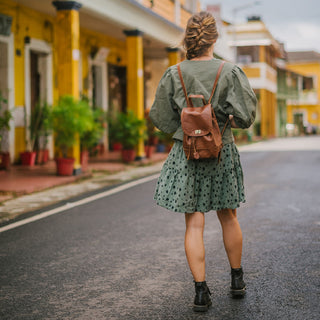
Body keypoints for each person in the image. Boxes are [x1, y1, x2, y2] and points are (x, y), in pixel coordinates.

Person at [149, 11, 257, 312]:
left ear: (190, 38)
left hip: (187, 153)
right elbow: (247, 117)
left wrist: (185, 130)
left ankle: (200, 292)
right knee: (229, 216)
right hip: (221, 151)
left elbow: (159, 117)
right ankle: (237, 281)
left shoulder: (174, 73)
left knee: (194, 223)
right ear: (214, 39)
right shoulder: (230, 71)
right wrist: (222, 124)